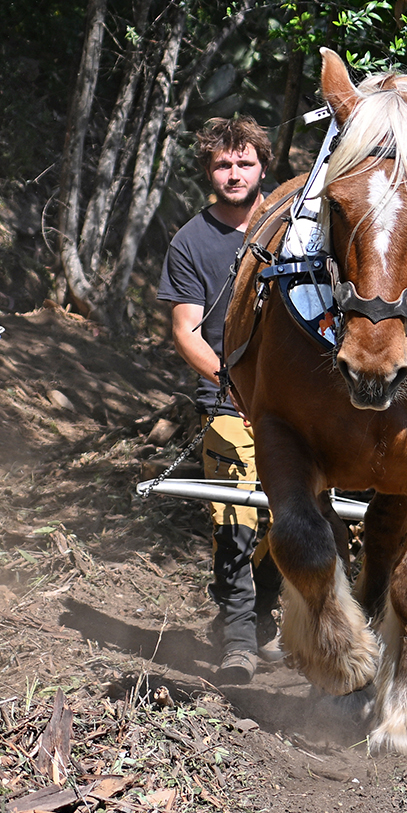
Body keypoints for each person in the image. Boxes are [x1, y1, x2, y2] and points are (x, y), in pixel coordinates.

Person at [155, 117, 282, 684]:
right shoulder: (191, 241)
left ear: (263, 166)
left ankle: (259, 615)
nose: (234, 174)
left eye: (245, 163)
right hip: (227, 404)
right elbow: (186, 330)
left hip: (295, 410)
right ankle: (237, 643)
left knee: (287, 519)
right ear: (209, 170)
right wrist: (233, 385)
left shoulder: (292, 229)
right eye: (223, 164)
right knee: (234, 517)